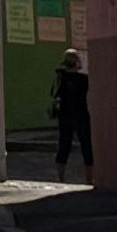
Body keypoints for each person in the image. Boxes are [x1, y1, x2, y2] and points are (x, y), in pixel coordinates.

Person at [51, 48, 93, 183]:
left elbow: (54, 94)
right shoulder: (84, 79)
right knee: (86, 146)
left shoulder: (60, 77)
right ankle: (89, 180)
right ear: (77, 63)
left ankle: (61, 178)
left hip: (65, 115)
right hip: (81, 114)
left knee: (64, 145)